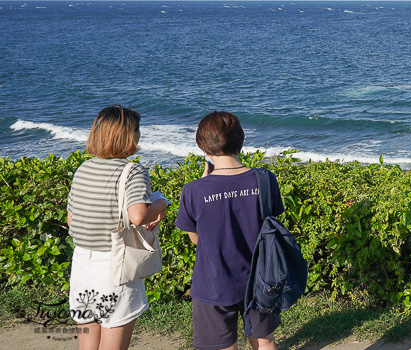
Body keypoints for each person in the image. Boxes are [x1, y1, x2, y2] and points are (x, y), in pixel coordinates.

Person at [175, 111, 284, 350]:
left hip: (213, 282)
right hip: (260, 279)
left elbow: (197, 240)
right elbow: (268, 225)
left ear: (203, 146)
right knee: (265, 340)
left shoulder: (194, 191)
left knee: (222, 345)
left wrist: (206, 183)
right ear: (241, 140)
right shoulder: (266, 180)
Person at [67, 105, 168, 350]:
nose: (139, 134)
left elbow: (71, 219)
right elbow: (137, 216)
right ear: (127, 136)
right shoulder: (131, 171)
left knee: (88, 345)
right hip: (115, 267)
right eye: (136, 129)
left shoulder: (83, 169)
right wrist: (161, 204)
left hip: (82, 266)